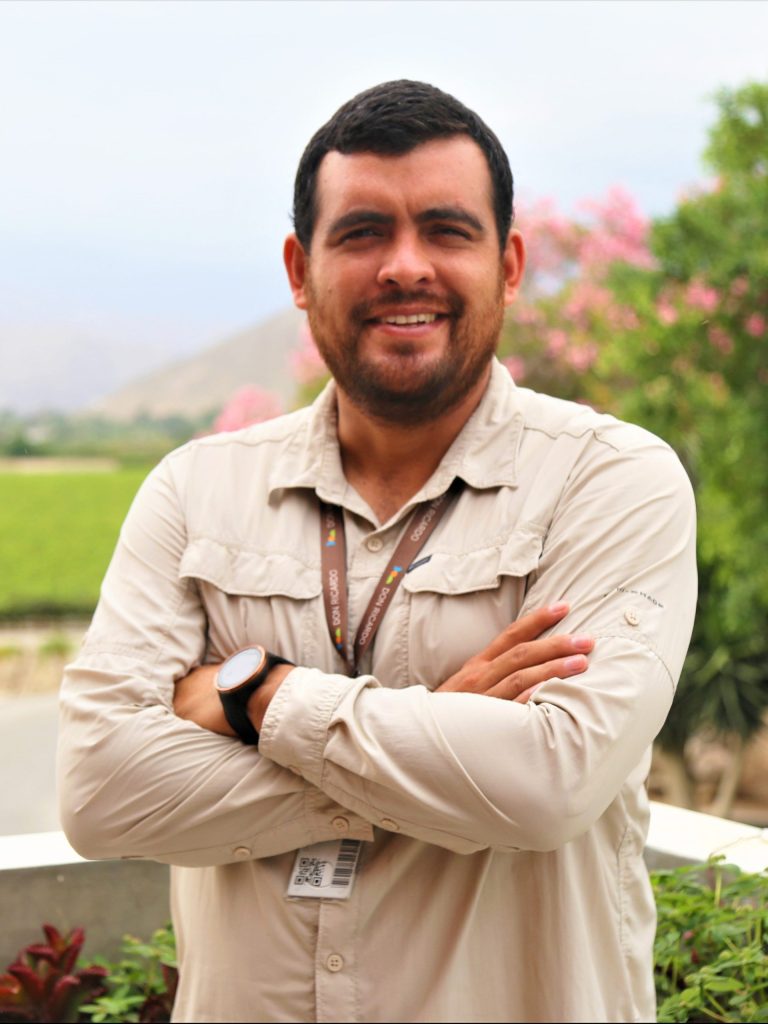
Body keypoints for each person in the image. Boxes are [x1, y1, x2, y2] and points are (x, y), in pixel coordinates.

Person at [57, 80, 697, 1023]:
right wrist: (438, 730)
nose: (405, 266)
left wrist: (256, 695)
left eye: (446, 230)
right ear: (299, 269)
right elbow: (102, 792)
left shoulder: (608, 481)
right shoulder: (196, 493)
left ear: (509, 265)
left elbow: (549, 783)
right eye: (362, 233)